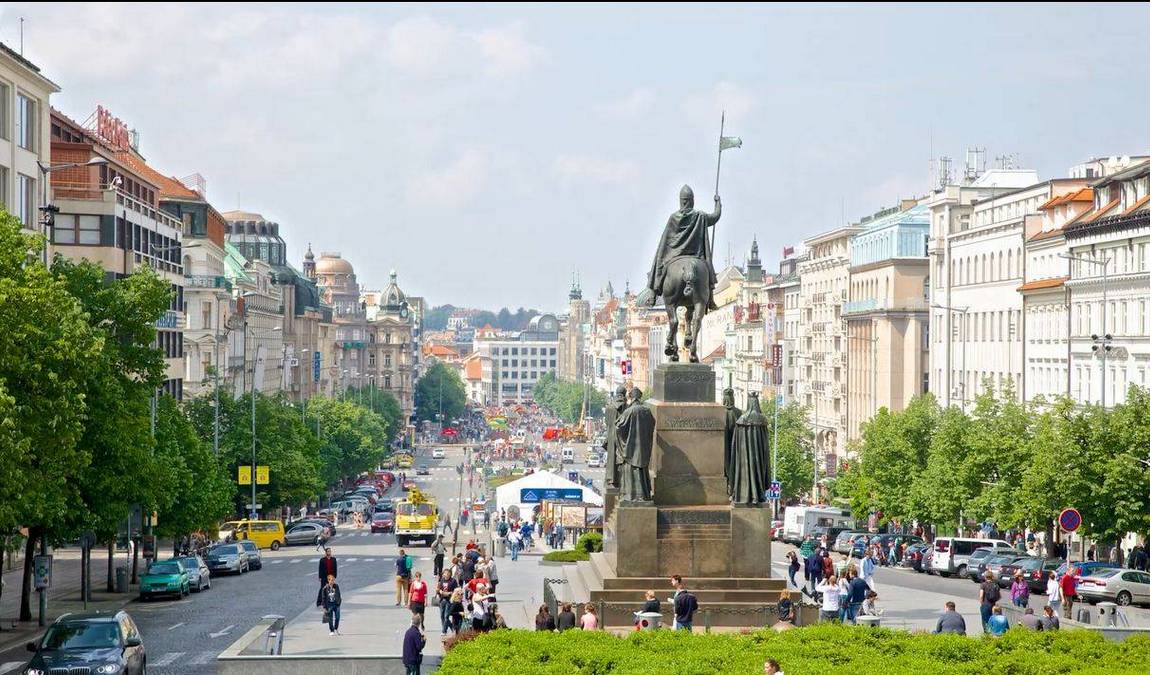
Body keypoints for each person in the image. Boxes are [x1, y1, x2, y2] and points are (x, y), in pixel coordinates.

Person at [436, 570, 457, 636]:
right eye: (445, 573)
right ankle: (451, 627)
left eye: (447, 573)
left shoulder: (453, 581)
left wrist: (449, 593)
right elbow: (438, 589)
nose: (446, 574)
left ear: (450, 574)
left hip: (449, 600)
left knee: (446, 616)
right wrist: (439, 591)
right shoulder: (442, 580)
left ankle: (444, 631)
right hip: (442, 600)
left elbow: (456, 591)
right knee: (442, 616)